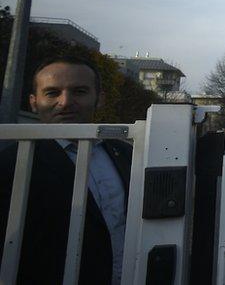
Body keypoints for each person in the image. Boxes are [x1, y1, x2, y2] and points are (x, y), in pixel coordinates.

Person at [0, 56, 132, 285]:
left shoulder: (126, 153)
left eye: (79, 91)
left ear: (99, 99)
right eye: (52, 93)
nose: (65, 102)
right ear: (33, 102)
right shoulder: (11, 163)